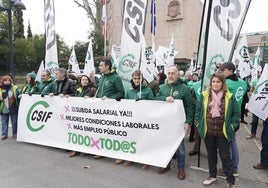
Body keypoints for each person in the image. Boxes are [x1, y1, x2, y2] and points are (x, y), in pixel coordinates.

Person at [195, 73, 240, 188]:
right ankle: (212, 176)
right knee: (211, 156)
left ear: (222, 84)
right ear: (211, 83)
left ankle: (230, 180)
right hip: (208, 132)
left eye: (218, 82)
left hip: (222, 133)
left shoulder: (229, 97)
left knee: (225, 157)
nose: (215, 84)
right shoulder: (204, 95)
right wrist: (198, 123)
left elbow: (236, 114)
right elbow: (198, 111)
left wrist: (232, 126)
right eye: (213, 81)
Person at [154, 65, 194, 180]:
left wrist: (188, 122)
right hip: (165, 123)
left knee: (180, 147)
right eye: (169, 73)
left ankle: (181, 169)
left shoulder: (185, 88)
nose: (170, 75)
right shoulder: (162, 87)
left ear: (178, 74)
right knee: (165, 145)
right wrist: (164, 98)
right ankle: (166, 165)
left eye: (173, 73)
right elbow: (155, 100)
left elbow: (190, 106)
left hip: (179, 123)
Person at [217, 62, 247, 178]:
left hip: (226, 116)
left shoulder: (226, 83)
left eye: (223, 70)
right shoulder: (243, 83)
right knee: (232, 143)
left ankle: (227, 169)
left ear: (230, 70)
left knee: (226, 145)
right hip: (236, 115)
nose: (221, 72)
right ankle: (234, 168)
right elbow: (245, 98)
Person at [94, 58, 125, 163]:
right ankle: (101, 151)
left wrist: (110, 98)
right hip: (101, 110)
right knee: (101, 130)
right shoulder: (102, 77)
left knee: (113, 131)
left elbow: (121, 93)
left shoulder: (116, 78)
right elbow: (99, 92)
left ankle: (119, 154)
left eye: (101, 65)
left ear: (107, 67)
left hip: (112, 110)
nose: (99, 67)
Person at [123, 70, 154, 170]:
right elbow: (125, 103)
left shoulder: (147, 90)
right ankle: (132, 158)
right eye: (135, 78)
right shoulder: (129, 90)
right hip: (132, 120)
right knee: (133, 139)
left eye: (138, 78)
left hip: (144, 120)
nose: (136, 80)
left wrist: (144, 102)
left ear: (142, 79)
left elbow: (153, 104)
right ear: (132, 79)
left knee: (143, 140)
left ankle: (145, 161)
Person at [69, 75, 96, 157]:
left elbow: (96, 99)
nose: (84, 81)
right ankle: (75, 150)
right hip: (78, 115)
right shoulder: (77, 90)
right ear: (80, 82)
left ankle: (87, 149)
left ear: (88, 81)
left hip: (88, 115)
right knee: (77, 132)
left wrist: (90, 98)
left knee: (87, 132)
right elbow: (74, 99)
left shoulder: (92, 89)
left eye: (86, 80)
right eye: (83, 80)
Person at [0, 75, 20, 140]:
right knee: (4, 122)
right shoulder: (0, 89)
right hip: (4, 108)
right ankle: (4, 135)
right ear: (3, 81)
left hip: (13, 108)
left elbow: (18, 96)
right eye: (5, 80)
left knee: (14, 122)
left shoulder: (14, 88)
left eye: (9, 80)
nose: (7, 81)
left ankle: (15, 134)